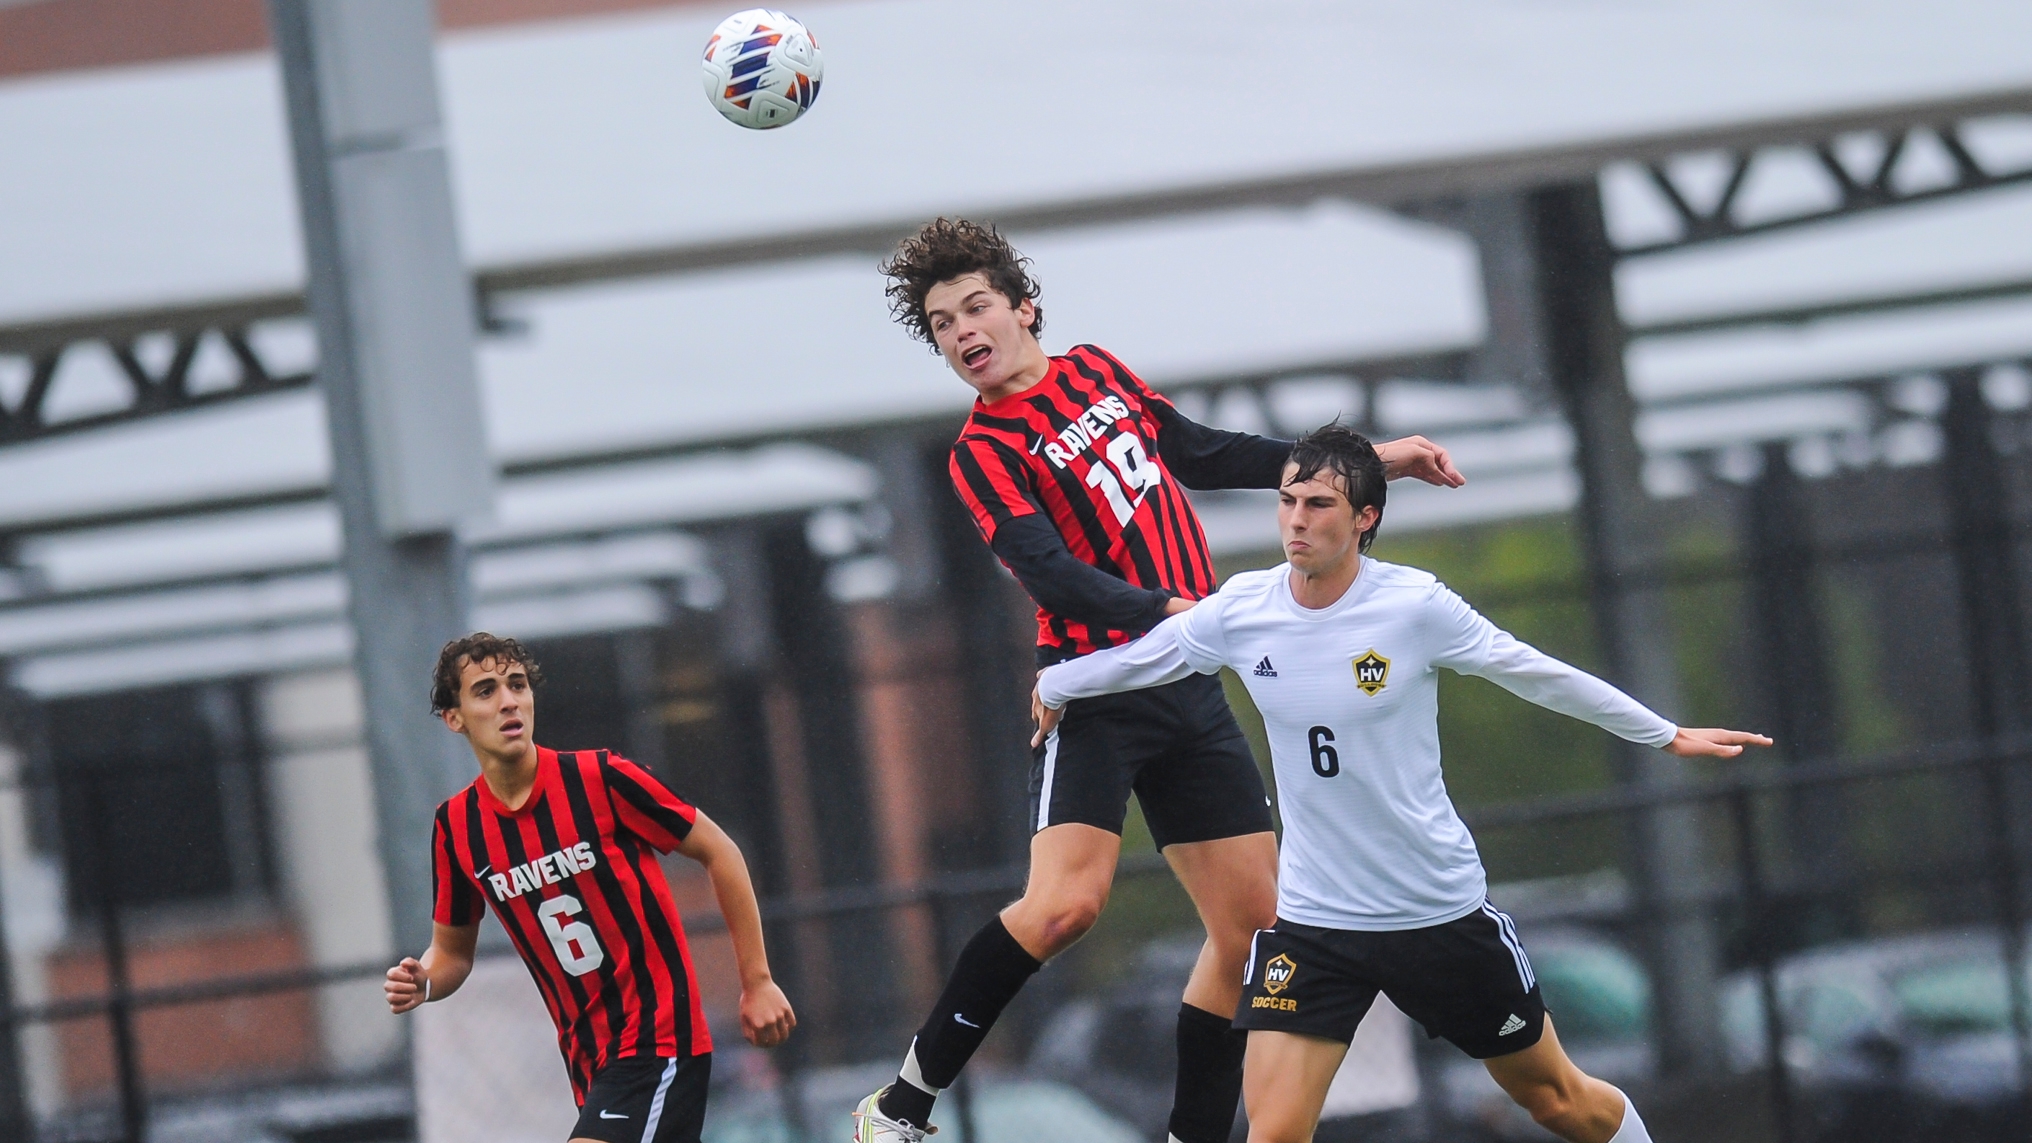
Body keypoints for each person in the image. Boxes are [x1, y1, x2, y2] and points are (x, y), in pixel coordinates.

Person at [854, 218, 1465, 1143]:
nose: (961, 331)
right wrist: (1169, 611)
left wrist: (1370, 459)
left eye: (975, 307)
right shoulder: (980, 451)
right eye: (941, 324)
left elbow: (1203, 451)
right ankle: (901, 1103)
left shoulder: (1098, 368)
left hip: (1184, 682)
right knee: (1064, 907)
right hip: (1096, 687)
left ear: (1025, 308)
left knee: (1259, 929)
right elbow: (1048, 572)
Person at [1034, 424, 1770, 1143]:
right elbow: (1150, 655)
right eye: (1288, 499)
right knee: (1276, 1131)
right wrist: (1061, 679)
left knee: (1559, 1102)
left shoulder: (1414, 606)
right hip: (1317, 923)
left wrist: (1664, 730)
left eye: (1318, 504)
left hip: (1435, 913)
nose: (1296, 518)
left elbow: (1534, 671)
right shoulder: (1243, 608)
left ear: (1365, 517)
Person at [384, 633, 796, 1143]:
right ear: (455, 717)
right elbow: (452, 954)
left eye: (517, 685)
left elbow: (720, 851)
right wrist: (423, 981)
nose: (509, 700)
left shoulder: (600, 777)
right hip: (588, 1061)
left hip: (658, 1040)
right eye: (486, 691)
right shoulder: (456, 827)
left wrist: (757, 981)